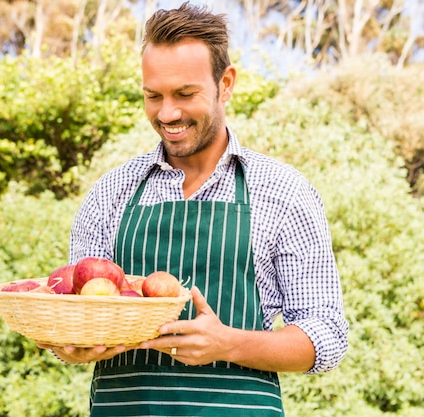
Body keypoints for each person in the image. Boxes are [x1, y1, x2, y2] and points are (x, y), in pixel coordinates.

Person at [40, 2, 348, 415]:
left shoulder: (283, 192)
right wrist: (71, 347)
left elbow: (326, 336)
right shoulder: (111, 192)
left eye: (185, 94)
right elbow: (79, 311)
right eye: (154, 96)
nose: (167, 113)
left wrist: (229, 343)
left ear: (226, 83)